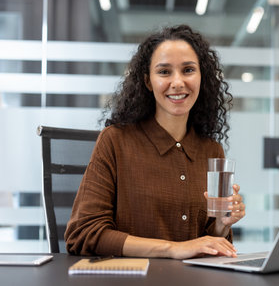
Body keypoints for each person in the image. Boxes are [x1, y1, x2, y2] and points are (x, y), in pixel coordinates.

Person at [64, 25, 246, 259]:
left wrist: (222, 224)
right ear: (148, 82)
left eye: (188, 70)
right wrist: (173, 248)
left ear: (202, 77)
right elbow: (82, 233)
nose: (178, 82)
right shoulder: (115, 140)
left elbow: (208, 243)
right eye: (164, 72)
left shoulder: (211, 150)